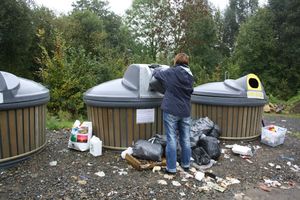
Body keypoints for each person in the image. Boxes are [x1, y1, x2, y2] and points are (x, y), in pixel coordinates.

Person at [153, 53, 194, 174]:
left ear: (176, 61)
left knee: (171, 139)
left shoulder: (172, 72)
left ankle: (171, 168)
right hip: (185, 111)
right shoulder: (190, 75)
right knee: (186, 139)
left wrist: (155, 68)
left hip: (171, 109)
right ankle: (186, 164)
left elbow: (157, 74)